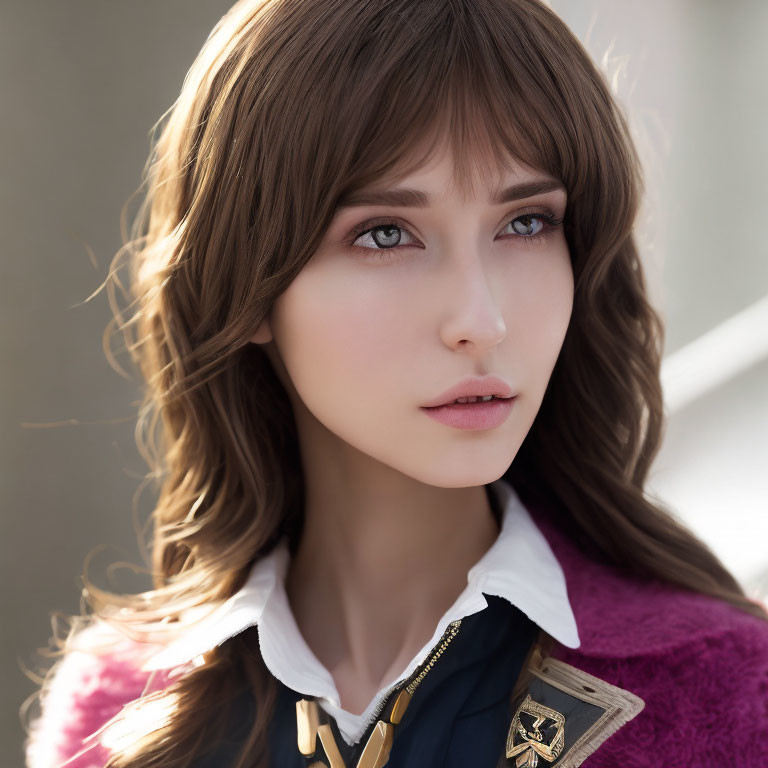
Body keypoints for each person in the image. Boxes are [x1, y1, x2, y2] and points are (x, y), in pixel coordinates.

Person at [23, 0, 768, 766]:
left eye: (526, 223)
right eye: (385, 233)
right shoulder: (117, 716)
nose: (481, 320)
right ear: (246, 289)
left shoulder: (726, 691)